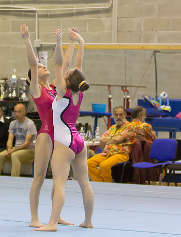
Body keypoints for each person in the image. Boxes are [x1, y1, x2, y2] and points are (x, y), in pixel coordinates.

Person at [34, 29, 94, 232]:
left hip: (64, 142)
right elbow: (77, 67)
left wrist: (59, 42)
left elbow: (60, 64)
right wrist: (80, 42)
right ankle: (88, 221)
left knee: (59, 183)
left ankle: (52, 223)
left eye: (66, 75)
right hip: (79, 141)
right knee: (85, 184)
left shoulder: (61, 91)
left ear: (67, 82)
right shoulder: (79, 92)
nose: (64, 72)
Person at [20, 24, 77, 228]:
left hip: (59, 135)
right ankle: (34, 217)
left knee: (58, 179)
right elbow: (33, 65)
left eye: (45, 66)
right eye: (42, 67)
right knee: (39, 177)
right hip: (45, 135)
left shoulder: (54, 88)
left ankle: (56, 215)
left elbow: (66, 64)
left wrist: (71, 41)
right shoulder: (37, 90)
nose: (45, 67)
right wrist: (27, 40)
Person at [87, 106, 135, 183]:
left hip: (121, 154)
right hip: (108, 153)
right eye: (116, 115)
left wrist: (111, 139)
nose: (118, 117)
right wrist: (113, 139)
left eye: (121, 114)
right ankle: (100, 184)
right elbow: (101, 139)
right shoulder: (112, 127)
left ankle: (108, 185)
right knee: (89, 163)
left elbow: (117, 139)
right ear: (113, 115)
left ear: (125, 115)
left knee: (104, 165)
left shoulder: (129, 127)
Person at [0, 103, 37, 177]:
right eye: (15, 112)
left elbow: (27, 143)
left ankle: (14, 179)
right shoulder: (12, 123)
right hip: (16, 148)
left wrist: (13, 151)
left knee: (14, 156)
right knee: (0, 155)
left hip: (29, 150)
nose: (16, 114)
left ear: (24, 112)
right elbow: (10, 140)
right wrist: (9, 150)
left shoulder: (30, 124)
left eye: (19, 112)